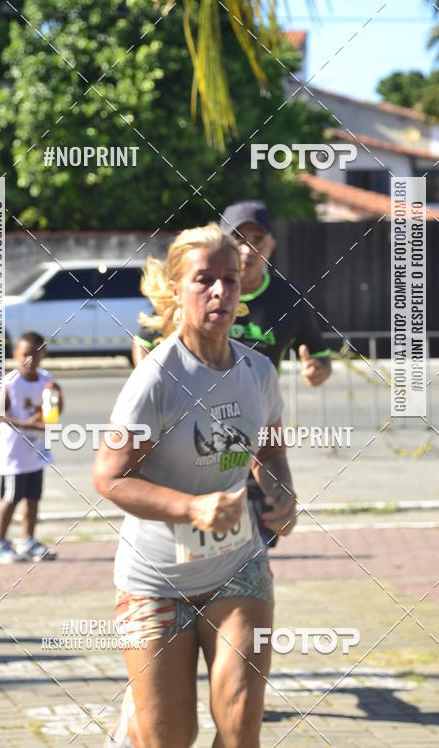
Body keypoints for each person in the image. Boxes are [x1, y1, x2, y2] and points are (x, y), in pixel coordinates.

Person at [94, 223, 296, 748]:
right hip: (155, 578)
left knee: (240, 722)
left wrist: (280, 496)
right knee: (170, 738)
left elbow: (270, 450)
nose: (220, 292)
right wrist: (192, 508)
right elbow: (110, 477)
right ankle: (134, 724)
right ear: (177, 288)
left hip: (238, 566)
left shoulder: (258, 373)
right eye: (205, 280)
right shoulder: (156, 380)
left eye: (230, 280)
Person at [132, 200, 331, 548]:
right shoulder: (195, 292)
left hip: (248, 439)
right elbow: (146, 337)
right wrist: (158, 386)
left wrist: (317, 371)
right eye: (239, 238)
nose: (248, 249)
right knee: (190, 554)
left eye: (258, 239)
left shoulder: (289, 299)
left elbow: (320, 354)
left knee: (251, 552)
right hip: (189, 445)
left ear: (271, 246)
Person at [0, 331, 63, 564]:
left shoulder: (46, 379)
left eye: (36, 355)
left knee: (33, 498)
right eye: (25, 355)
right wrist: (26, 423)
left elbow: (53, 412)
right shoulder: (11, 382)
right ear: (16, 354)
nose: (30, 360)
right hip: (14, 455)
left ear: (43, 355)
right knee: (11, 498)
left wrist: (55, 397)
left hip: (35, 452)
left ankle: (27, 540)